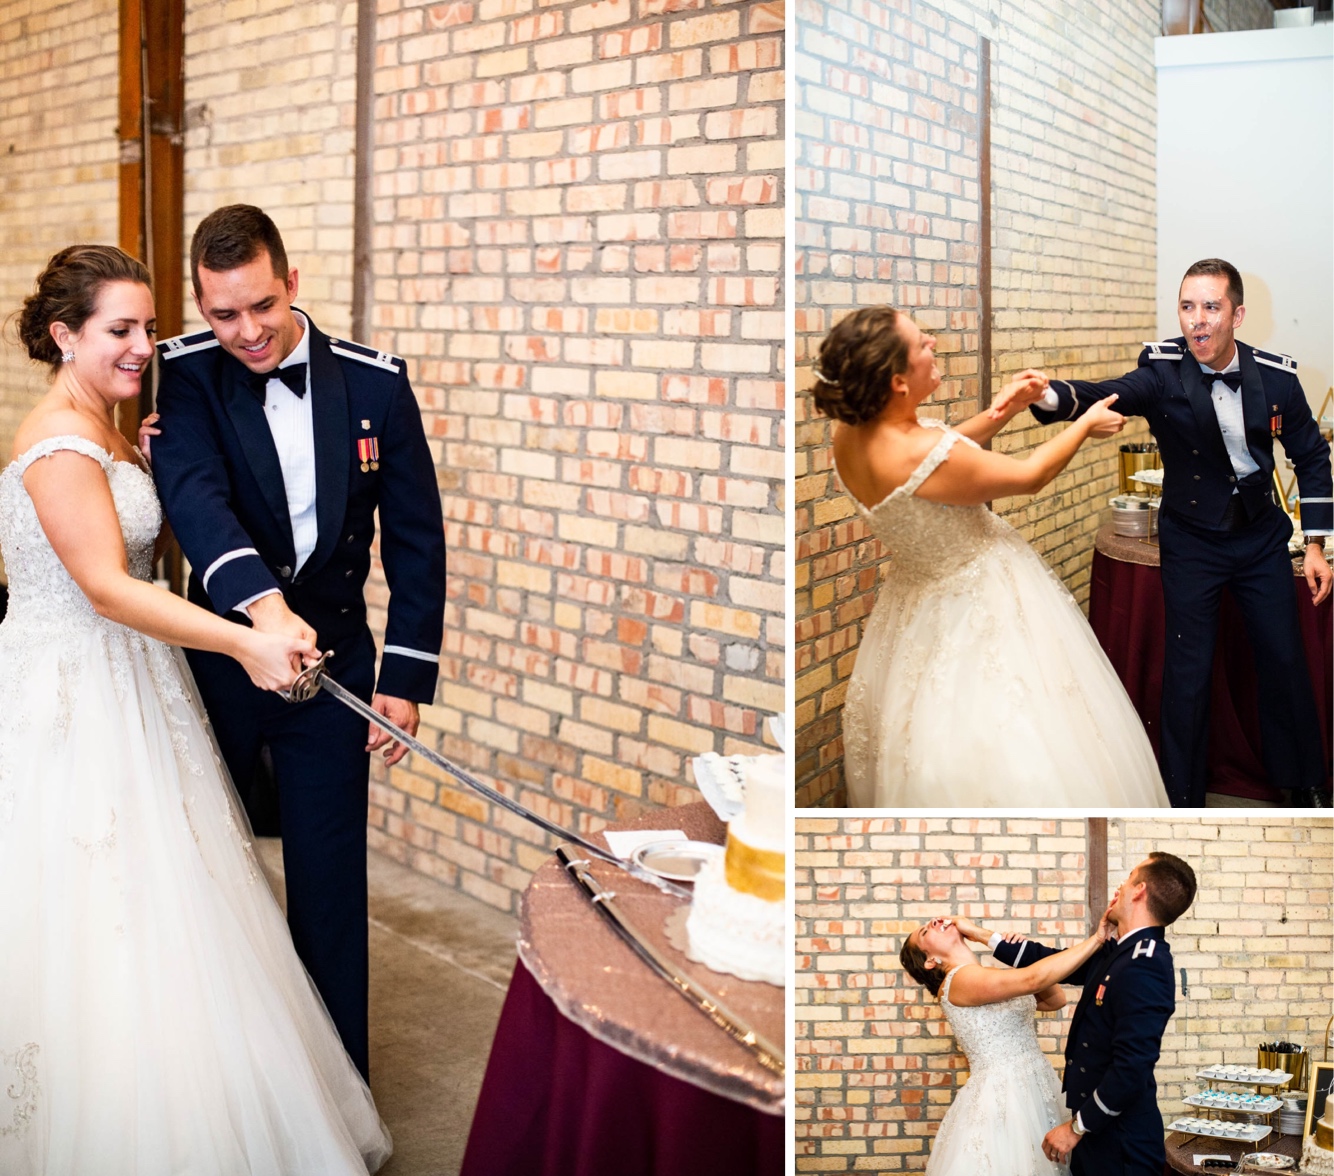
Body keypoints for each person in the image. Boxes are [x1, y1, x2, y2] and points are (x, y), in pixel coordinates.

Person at [0, 245, 391, 1172]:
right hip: (77, 690)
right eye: (120, 331)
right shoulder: (57, 443)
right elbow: (103, 585)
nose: (145, 348)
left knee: (178, 893)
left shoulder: (114, 428)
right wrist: (250, 639)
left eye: (147, 325)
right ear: (65, 335)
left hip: (136, 684)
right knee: (96, 903)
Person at [148, 205, 447, 1081]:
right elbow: (196, 499)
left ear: (292, 283)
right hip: (220, 661)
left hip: (336, 671)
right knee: (201, 867)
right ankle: (210, 1072)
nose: (245, 332)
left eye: (260, 307)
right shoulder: (184, 375)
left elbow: (417, 538)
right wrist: (263, 617)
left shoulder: (377, 384)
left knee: (328, 884)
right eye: (221, 314)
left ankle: (335, 1087)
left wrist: (405, 678)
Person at [994, 259, 1332, 806]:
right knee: (1187, 672)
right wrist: (1048, 394)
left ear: (1237, 314)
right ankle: (1183, 795)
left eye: (1212, 307)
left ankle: (1306, 785)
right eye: (1187, 307)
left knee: (1284, 660)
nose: (1197, 321)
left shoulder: (1276, 378)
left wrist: (1314, 544)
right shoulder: (1161, 370)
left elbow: (1312, 458)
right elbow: (1107, 392)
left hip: (1259, 537)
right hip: (1192, 540)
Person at [814, 306, 1170, 806]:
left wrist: (1003, 410)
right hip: (978, 599)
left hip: (915, 602)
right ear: (897, 381)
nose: (933, 343)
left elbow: (945, 459)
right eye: (921, 343)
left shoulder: (852, 432)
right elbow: (1027, 477)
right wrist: (1083, 424)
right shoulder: (913, 452)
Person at [985, 852, 1197, 1175]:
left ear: (1139, 890)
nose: (1120, 888)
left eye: (1127, 880)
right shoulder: (1122, 951)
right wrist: (983, 936)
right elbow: (1050, 963)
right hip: (1098, 1137)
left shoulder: (1147, 965)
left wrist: (1075, 1129)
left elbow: (1131, 1067)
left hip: (1122, 1147)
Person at [899, 913, 1113, 1175]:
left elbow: (1054, 999)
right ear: (931, 961)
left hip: (1036, 1083)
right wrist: (1096, 940)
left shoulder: (985, 975)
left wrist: (1021, 958)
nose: (933, 922)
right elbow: (1034, 980)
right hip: (1005, 1096)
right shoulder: (959, 980)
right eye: (924, 932)